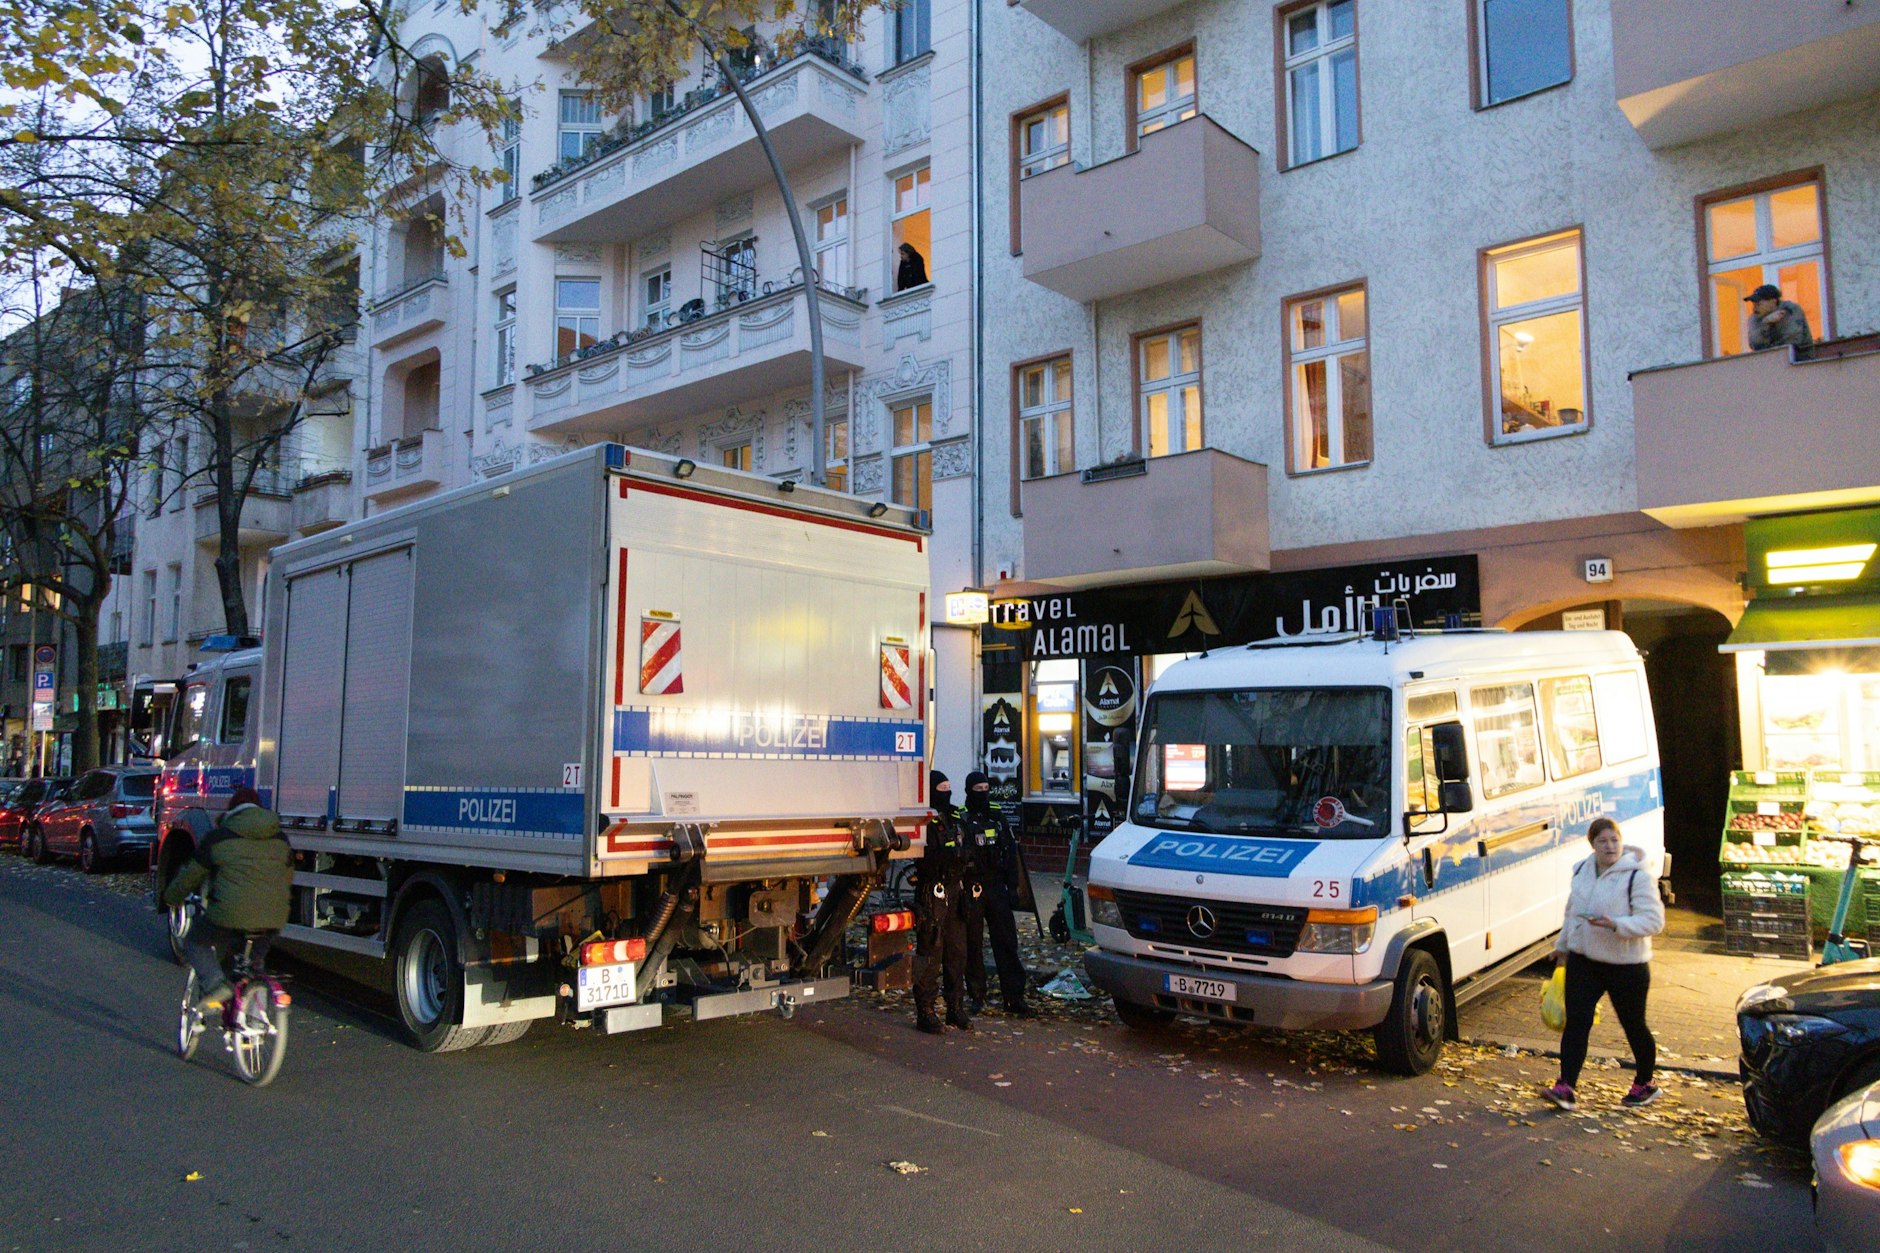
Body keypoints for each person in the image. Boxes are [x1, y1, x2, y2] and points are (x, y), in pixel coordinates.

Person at [1544, 816, 1666, 1112]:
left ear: (1621, 842)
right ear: (1593, 845)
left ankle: (1644, 1083)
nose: (1610, 846)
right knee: (1577, 1023)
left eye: (1614, 840)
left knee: (1634, 1025)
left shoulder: (1637, 876)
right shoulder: (1583, 870)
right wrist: (1562, 948)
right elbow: (1572, 912)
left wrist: (1616, 925)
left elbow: (1654, 920)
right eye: (1603, 841)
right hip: (1585, 961)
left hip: (1626, 965)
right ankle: (1566, 1086)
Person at [163, 786, 293, 1010]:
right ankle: (255, 1023)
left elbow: (190, 876)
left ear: (232, 810)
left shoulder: (218, 838)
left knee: (196, 941)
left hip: (229, 916)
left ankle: (215, 985)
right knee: (253, 966)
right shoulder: (280, 839)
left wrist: (171, 897)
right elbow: (287, 876)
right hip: (273, 918)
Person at [961, 771, 1035, 1017]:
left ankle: (1014, 998)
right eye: (978, 788)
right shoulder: (962, 817)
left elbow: (1010, 851)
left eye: (986, 787)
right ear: (969, 790)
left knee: (1006, 943)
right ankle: (976, 996)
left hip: (996, 887)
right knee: (973, 945)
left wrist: (1013, 887)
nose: (983, 792)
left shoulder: (997, 815)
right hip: (972, 888)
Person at [911, 770, 973, 1034]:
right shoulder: (924, 819)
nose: (947, 792)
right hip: (933, 889)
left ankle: (955, 1007)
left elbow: (967, 846)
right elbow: (925, 856)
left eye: (949, 787)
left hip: (955, 888)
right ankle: (925, 1010)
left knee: (957, 951)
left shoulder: (956, 817)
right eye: (942, 788)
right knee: (931, 951)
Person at [1744, 283, 1814, 358]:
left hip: (1800, 360)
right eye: (1754, 305)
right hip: (1770, 361)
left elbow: (1792, 342)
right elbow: (1755, 345)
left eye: (1758, 304)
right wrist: (1765, 323)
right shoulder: (1755, 317)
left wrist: (1768, 348)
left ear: (1773, 302)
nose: (1754, 309)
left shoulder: (1790, 309)